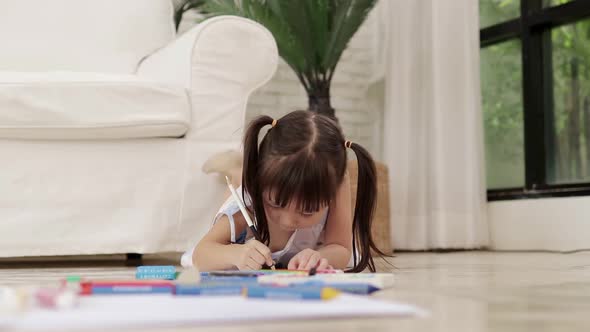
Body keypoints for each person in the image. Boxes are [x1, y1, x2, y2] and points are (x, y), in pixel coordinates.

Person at [182, 110, 385, 272]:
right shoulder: (248, 202)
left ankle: (238, 169)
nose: (288, 221)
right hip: (246, 198)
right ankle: (235, 170)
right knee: (234, 194)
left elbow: (340, 249)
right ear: (260, 182)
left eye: (307, 211)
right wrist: (236, 254)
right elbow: (201, 255)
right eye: (276, 203)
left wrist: (320, 256)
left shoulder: (336, 183)